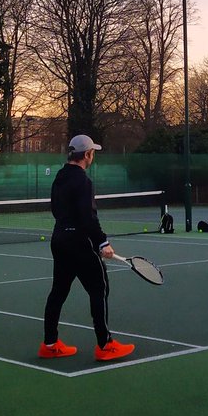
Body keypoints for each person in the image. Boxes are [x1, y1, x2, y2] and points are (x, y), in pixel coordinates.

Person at [39, 134, 135, 362]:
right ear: (88, 154)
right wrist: (103, 242)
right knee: (99, 288)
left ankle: (49, 344)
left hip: (59, 239)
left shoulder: (59, 178)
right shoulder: (83, 181)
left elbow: (56, 210)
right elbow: (88, 218)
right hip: (79, 243)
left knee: (58, 292)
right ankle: (105, 344)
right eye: (93, 153)